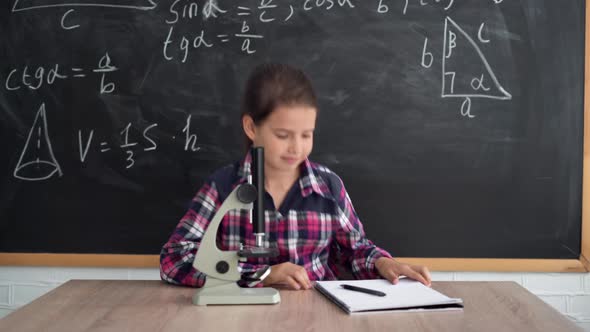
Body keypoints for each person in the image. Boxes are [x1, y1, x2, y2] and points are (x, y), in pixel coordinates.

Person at [160, 63, 431, 290]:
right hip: (243, 318)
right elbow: (174, 261)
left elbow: (354, 250)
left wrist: (382, 263)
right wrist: (262, 275)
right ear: (251, 127)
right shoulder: (223, 187)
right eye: (283, 135)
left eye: (306, 134)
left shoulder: (327, 187)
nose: (296, 148)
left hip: (316, 316)